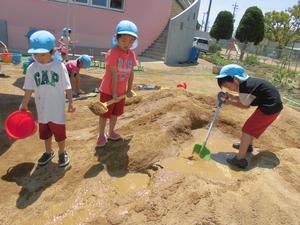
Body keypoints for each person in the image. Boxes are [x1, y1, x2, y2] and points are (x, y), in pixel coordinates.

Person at [20, 30, 75, 167]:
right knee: (45, 132)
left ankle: (62, 152)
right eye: (35, 54)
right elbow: (28, 88)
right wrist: (24, 103)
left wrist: (70, 103)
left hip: (56, 108)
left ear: (52, 52)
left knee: (59, 133)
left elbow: (67, 86)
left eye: (42, 54)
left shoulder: (59, 66)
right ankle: (48, 151)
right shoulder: (32, 68)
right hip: (42, 108)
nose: (38, 57)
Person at [216, 64, 283, 169]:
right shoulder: (247, 84)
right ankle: (247, 147)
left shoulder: (246, 87)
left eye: (227, 85)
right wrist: (232, 97)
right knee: (250, 127)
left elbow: (244, 106)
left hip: (270, 108)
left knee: (247, 130)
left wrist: (229, 102)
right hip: (271, 105)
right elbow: (244, 98)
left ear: (236, 79)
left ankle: (240, 159)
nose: (228, 88)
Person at [97, 20, 138, 147]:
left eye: (131, 40)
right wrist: (114, 93)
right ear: (117, 38)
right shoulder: (113, 53)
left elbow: (131, 72)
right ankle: (101, 135)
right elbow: (114, 74)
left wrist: (129, 89)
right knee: (104, 114)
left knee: (115, 114)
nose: (127, 43)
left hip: (120, 92)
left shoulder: (131, 54)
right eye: (124, 40)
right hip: (108, 91)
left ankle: (111, 132)